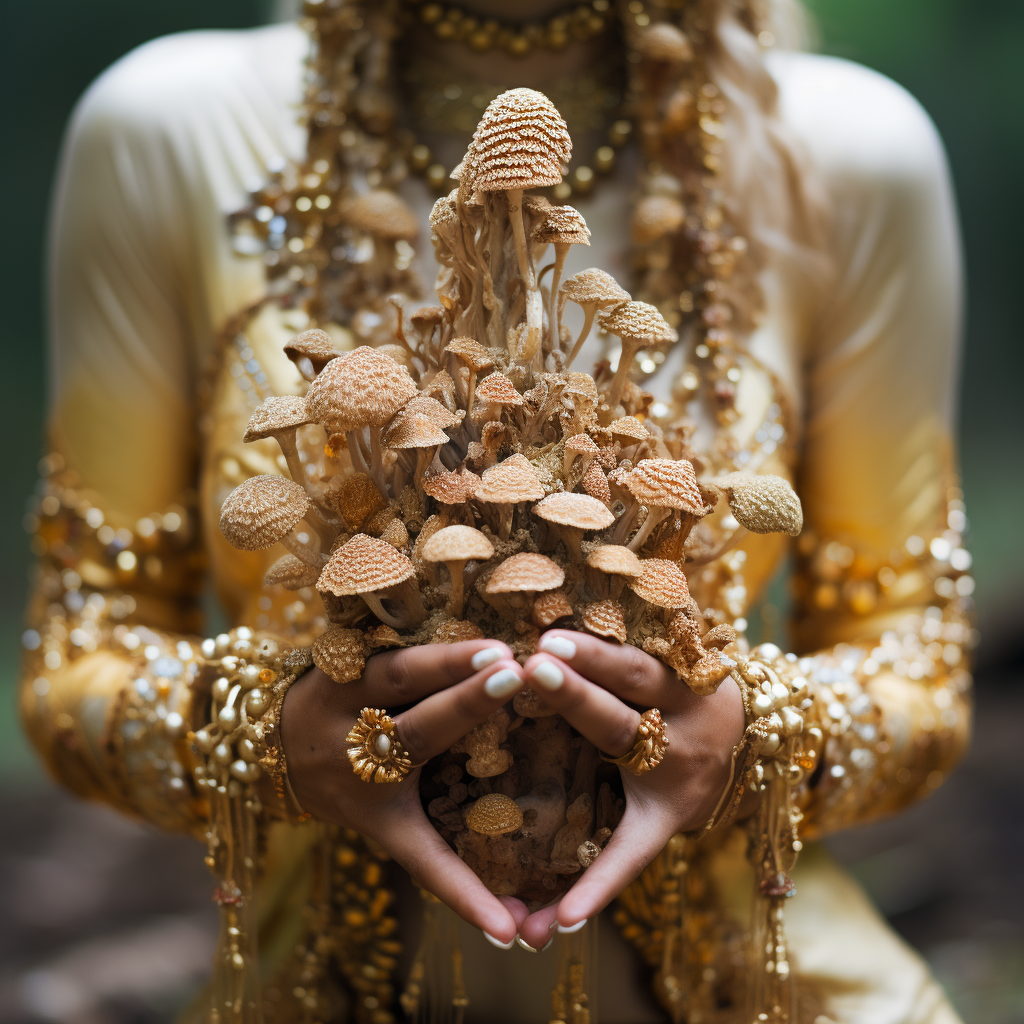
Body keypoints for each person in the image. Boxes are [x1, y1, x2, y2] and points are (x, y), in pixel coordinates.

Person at [21, 0, 973, 1020]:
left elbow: (916, 655)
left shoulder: (846, 153)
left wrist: (752, 742)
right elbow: (81, 652)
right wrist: (270, 731)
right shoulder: (174, 130)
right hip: (316, 979)